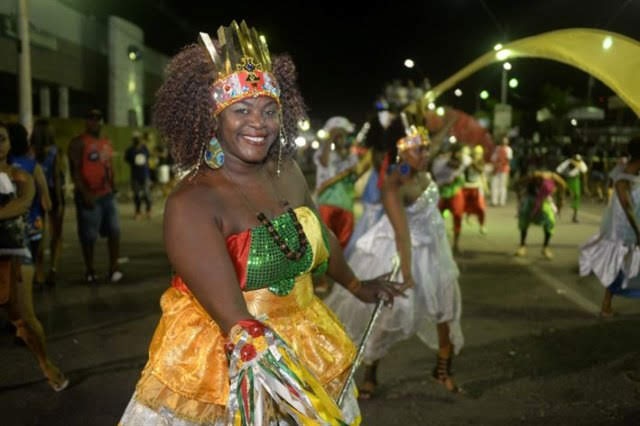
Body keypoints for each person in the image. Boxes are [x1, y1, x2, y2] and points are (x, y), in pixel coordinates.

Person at [119, 21, 402, 425]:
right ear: (211, 117)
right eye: (242, 109)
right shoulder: (192, 202)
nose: (259, 123)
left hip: (304, 334)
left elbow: (318, 234)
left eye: (270, 110)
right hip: (233, 358)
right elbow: (237, 322)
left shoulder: (287, 172)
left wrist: (357, 286)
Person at [325, 118, 464, 399]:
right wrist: (409, 274)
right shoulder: (394, 184)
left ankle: (443, 371)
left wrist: (450, 123)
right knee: (384, 315)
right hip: (401, 253)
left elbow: (434, 144)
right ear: (402, 152)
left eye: (426, 150)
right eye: (419, 151)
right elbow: (402, 235)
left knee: (445, 311)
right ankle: (370, 374)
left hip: (434, 250)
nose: (426, 155)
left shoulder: (422, 169)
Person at [0, 121, 68, 391]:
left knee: (24, 319)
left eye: (1, 138)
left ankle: (45, 363)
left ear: (8, 144)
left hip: (13, 253)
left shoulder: (19, 175)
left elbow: (22, 203)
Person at [580, 137, 640, 317]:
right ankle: (606, 305)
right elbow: (627, 207)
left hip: (632, 228)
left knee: (625, 265)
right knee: (619, 265)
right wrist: (638, 232)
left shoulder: (631, 174)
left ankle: (606, 304)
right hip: (625, 230)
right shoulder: (622, 179)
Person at [68, 109, 123, 284]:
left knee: (114, 231)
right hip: (89, 195)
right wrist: (84, 193)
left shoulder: (106, 142)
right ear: (86, 121)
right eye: (91, 117)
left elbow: (108, 166)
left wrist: (113, 186)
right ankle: (90, 270)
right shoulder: (78, 143)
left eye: (98, 118)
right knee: (89, 236)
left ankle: (114, 268)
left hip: (107, 194)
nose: (94, 121)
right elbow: (75, 170)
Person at [7, 123, 52, 286]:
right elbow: (47, 203)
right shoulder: (34, 166)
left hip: (7, 226)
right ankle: (36, 279)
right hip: (33, 223)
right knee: (30, 260)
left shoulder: (5, 166)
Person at [30, 118, 66, 286]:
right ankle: (53, 268)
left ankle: (38, 272)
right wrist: (58, 199)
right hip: (53, 192)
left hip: (34, 194)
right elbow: (57, 176)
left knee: (38, 234)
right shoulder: (55, 151)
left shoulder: (30, 152)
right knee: (56, 235)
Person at [513, 170, 566, 259]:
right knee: (524, 220)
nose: (541, 180)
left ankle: (545, 247)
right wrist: (520, 197)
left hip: (545, 201)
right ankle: (522, 246)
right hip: (530, 200)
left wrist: (560, 199)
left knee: (550, 222)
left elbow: (563, 186)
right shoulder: (532, 177)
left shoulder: (553, 177)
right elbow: (516, 185)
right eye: (539, 179)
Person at [431, 142, 470, 254]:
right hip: (441, 191)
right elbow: (450, 166)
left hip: (455, 191)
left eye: (460, 153)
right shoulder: (439, 162)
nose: (459, 155)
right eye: (456, 153)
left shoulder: (464, 160)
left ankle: (456, 244)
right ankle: (437, 244)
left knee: (458, 217)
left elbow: (464, 162)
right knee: (436, 219)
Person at [125, 132, 152, 219]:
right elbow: (127, 160)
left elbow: (148, 158)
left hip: (145, 175)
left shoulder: (144, 148)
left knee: (147, 193)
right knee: (136, 195)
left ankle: (148, 210)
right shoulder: (130, 150)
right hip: (135, 176)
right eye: (135, 138)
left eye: (138, 138)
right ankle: (138, 212)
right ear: (133, 140)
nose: (137, 140)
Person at [556, 150, 589, 223]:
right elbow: (558, 171)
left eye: (578, 161)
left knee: (577, 196)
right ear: (572, 159)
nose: (576, 162)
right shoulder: (567, 162)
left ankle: (575, 216)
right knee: (562, 197)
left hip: (576, 180)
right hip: (566, 179)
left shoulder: (581, 163)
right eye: (575, 160)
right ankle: (558, 211)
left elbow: (584, 172)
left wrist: (585, 186)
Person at [462, 144, 488, 235]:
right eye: (476, 153)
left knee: (481, 207)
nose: (478, 155)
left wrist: (485, 187)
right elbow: (462, 173)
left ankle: (482, 226)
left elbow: (481, 172)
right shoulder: (468, 161)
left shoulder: (480, 162)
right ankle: (465, 219)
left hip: (477, 187)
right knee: (462, 206)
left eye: (480, 154)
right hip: (467, 186)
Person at [490, 136, 513, 206]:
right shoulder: (497, 149)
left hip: (504, 169)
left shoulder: (508, 149)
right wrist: (495, 166)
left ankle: (502, 201)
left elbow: (508, 159)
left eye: (505, 140)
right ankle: (494, 201)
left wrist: (501, 164)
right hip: (496, 169)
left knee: (502, 186)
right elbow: (493, 158)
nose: (504, 142)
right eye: (503, 140)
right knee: (494, 185)